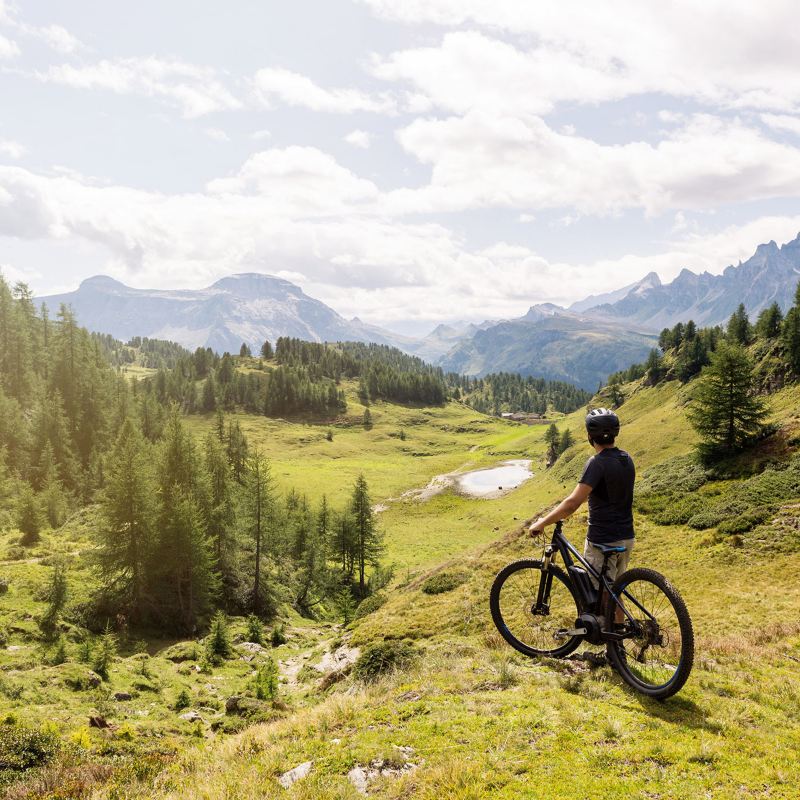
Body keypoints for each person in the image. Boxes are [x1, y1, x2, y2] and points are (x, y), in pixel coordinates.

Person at [528, 408, 635, 619]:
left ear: (589, 436)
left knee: (604, 592)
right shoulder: (626, 459)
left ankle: (613, 645)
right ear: (615, 434)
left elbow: (572, 503)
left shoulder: (597, 463)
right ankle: (618, 641)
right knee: (614, 591)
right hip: (627, 536)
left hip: (603, 539)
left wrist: (542, 522)